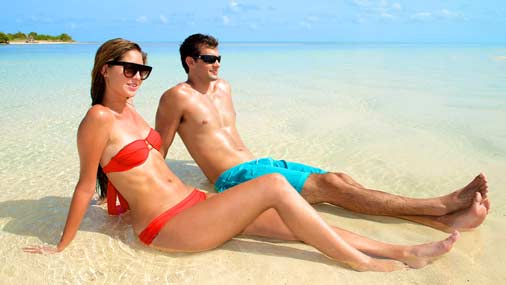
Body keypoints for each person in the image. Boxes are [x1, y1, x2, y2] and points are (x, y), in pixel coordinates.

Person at [24, 38, 461, 272]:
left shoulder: (133, 113)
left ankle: (402, 252)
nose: (138, 77)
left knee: (298, 225)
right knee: (271, 185)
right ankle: (360, 262)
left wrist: (111, 199)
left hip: (196, 207)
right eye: (130, 69)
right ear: (105, 70)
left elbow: (135, 168)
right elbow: (84, 184)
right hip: (166, 227)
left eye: (144, 70)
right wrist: (61, 246)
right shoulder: (97, 118)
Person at [155, 33, 490, 233]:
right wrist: (149, 193)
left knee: (338, 178)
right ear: (190, 61)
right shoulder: (175, 98)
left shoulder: (224, 87)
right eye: (209, 58)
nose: (217, 63)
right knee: (330, 187)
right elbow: (160, 149)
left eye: (219, 57)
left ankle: (440, 223)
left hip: (259, 165)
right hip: (233, 178)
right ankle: (439, 204)